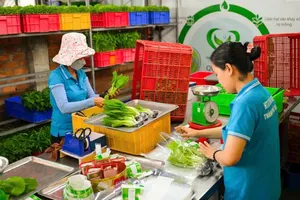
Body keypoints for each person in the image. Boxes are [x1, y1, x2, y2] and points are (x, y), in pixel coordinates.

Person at [176, 42, 281, 200]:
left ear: (229, 69)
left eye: (217, 74)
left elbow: (230, 158)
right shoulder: (261, 93)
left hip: (248, 191)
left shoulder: (245, 104)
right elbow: (237, 130)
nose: (219, 80)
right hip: (267, 185)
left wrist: (213, 153)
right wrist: (198, 132)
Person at [48, 32, 118, 144]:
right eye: (80, 57)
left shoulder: (80, 73)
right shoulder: (56, 76)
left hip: (83, 126)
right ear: (70, 57)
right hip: (64, 133)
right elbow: (64, 107)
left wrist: (106, 95)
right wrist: (93, 101)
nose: (83, 60)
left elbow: (92, 96)